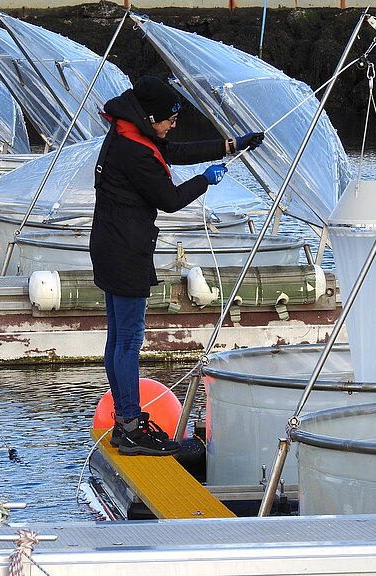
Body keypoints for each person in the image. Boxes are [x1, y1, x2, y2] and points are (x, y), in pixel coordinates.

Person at [90, 75, 264, 456]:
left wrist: (230, 145)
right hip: (125, 252)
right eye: (170, 119)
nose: (173, 125)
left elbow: (172, 151)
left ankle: (123, 423)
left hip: (109, 245)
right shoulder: (134, 151)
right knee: (128, 341)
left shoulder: (128, 131)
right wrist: (205, 181)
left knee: (117, 338)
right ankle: (131, 427)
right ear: (152, 117)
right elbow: (169, 199)